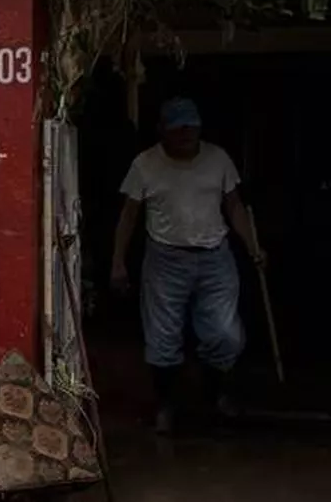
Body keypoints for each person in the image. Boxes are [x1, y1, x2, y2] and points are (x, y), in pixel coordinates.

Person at [111, 97, 265, 435]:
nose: (185, 135)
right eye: (178, 129)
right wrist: (118, 262)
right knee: (162, 335)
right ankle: (165, 404)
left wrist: (253, 246)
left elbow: (235, 206)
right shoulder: (145, 164)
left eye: (191, 128)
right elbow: (129, 216)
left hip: (215, 256)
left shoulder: (218, 159)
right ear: (162, 130)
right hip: (165, 258)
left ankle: (216, 393)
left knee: (225, 334)